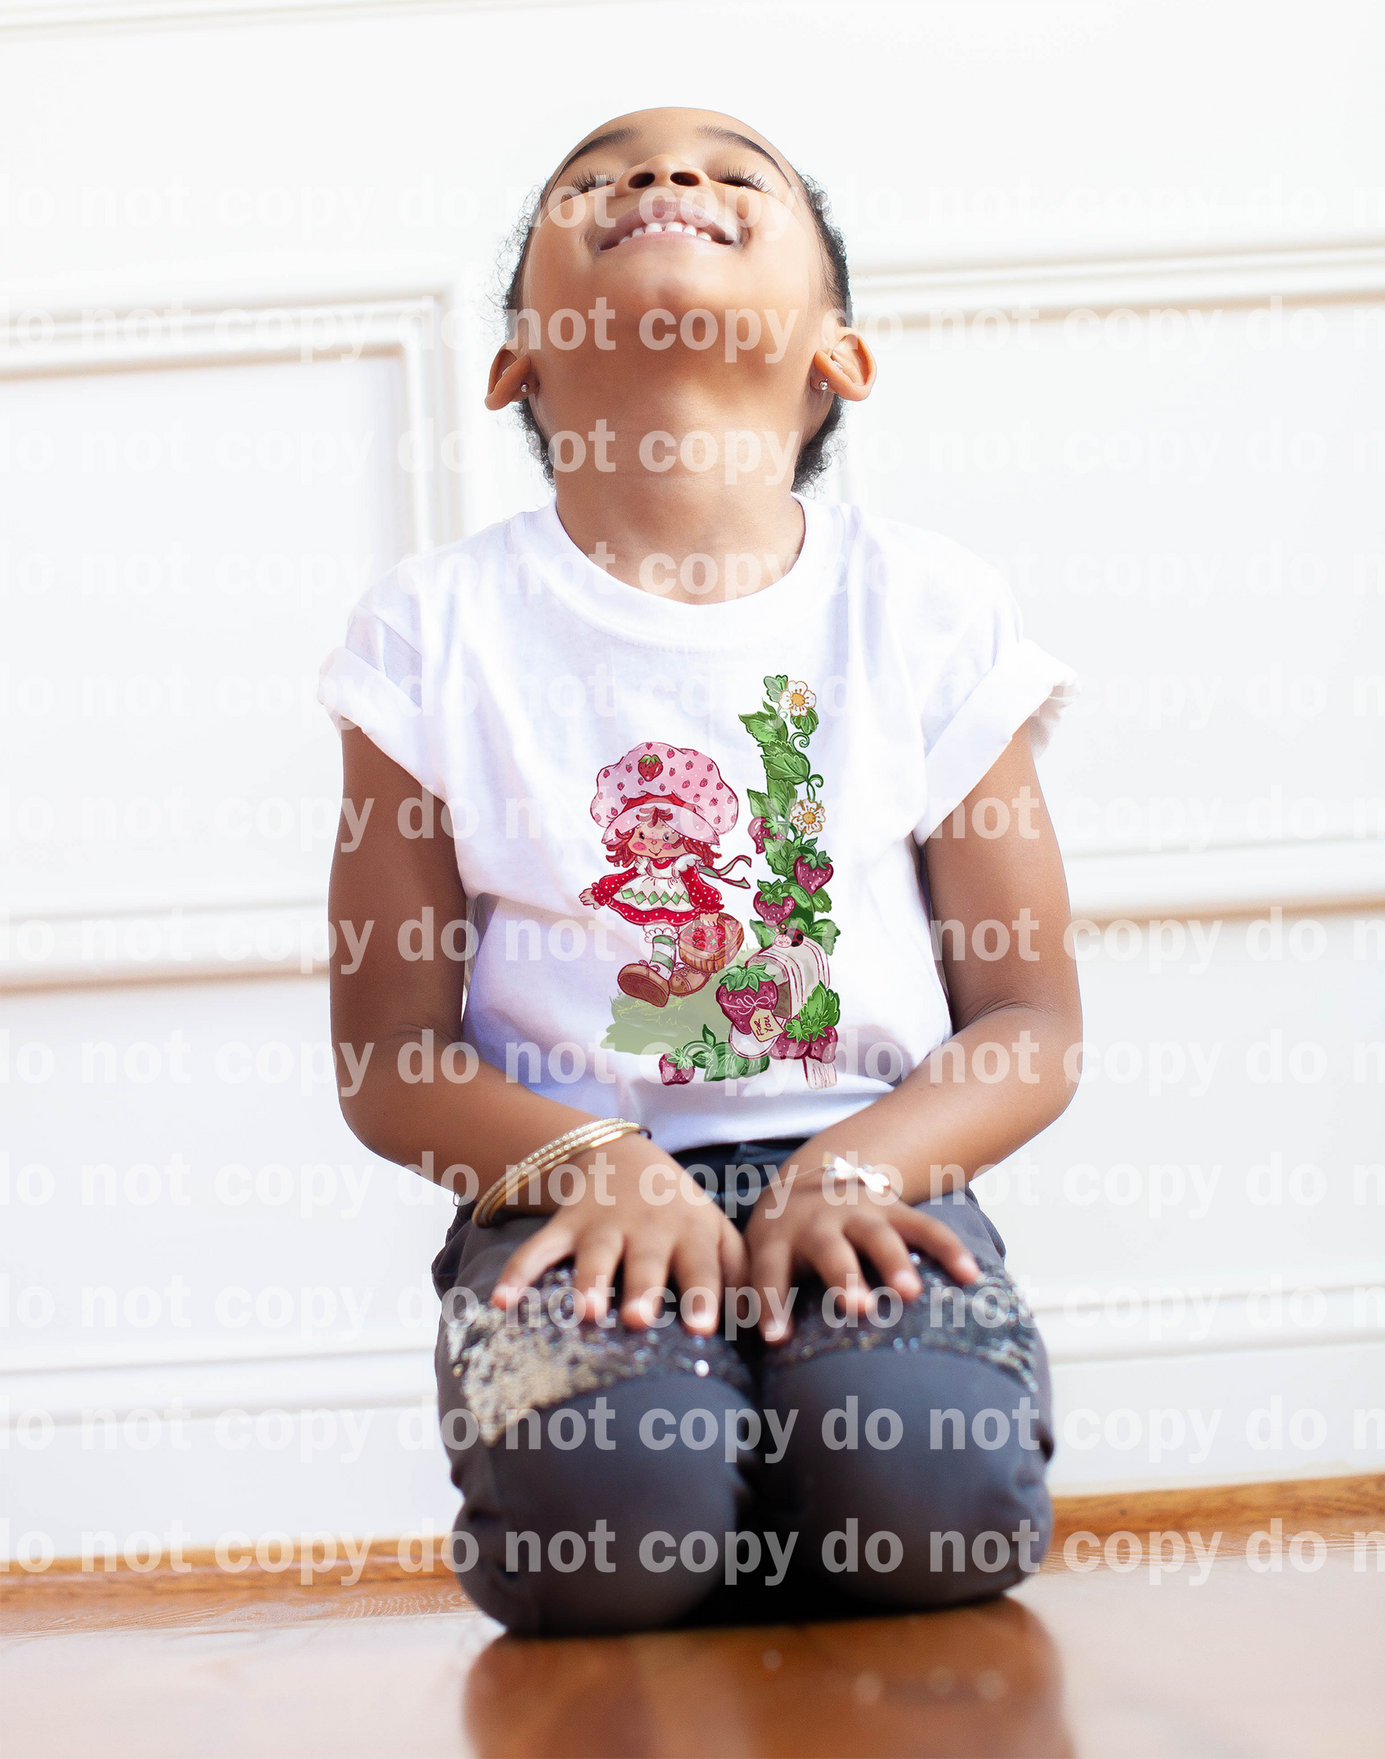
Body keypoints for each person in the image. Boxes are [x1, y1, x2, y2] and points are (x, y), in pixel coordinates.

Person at [318, 106, 1082, 1637]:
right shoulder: (431, 632)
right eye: (596, 179)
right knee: (603, 1542)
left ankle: (797, 1454)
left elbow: (1030, 1022)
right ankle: (699, 1480)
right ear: (514, 362)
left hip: (869, 1161)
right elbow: (389, 1055)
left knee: (936, 1507)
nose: (666, 179)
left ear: (839, 355)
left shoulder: (926, 606)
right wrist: (591, 1164)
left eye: (738, 176)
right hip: (566, 1189)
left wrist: (853, 1168)